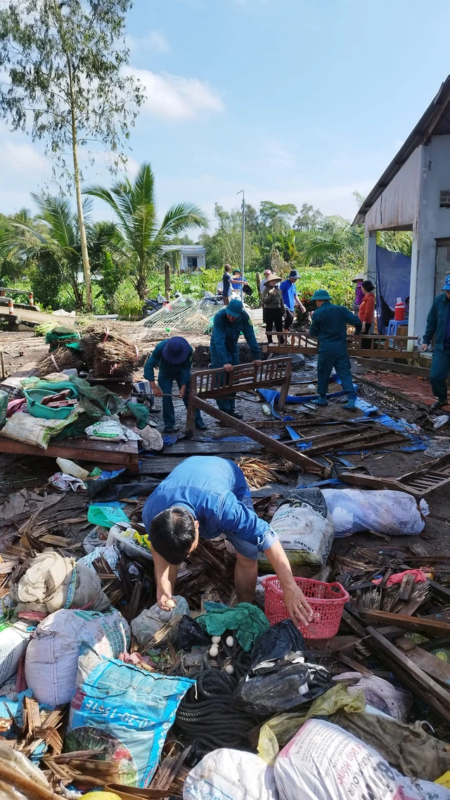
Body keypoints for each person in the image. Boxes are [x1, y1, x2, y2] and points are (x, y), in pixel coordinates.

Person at [142, 456, 313, 627]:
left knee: (248, 554)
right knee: (169, 559)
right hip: (189, 469)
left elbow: (268, 537)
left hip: (224, 473)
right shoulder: (153, 513)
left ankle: (244, 608)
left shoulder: (224, 508)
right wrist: (163, 587)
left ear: (196, 526)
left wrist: (289, 587)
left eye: (188, 552)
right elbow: (159, 550)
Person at [309, 289, 362, 410]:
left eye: (315, 301)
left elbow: (313, 333)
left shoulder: (317, 313)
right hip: (341, 348)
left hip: (326, 348)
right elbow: (357, 321)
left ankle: (322, 398)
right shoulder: (341, 309)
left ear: (319, 300)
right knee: (344, 372)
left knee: (323, 372)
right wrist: (357, 332)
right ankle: (351, 400)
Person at [210, 298, 261, 418]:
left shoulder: (244, 317)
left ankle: (231, 409)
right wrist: (224, 362)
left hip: (233, 347)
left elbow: (250, 336)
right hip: (218, 349)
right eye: (230, 315)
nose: (231, 318)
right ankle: (223, 411)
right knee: (221, 379)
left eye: (234, 316)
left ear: (240, 314)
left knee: (234, 378)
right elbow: (219, 340)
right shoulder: (219, 317)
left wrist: (257, 356)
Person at [144, 337, 207, 432]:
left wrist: (183, 386)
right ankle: (169, 423)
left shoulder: (188, 350)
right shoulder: (160, 347)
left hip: (181, 371)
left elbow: (186, 369)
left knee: (189, 394)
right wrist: (154, 387)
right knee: (166, 396)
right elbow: (149, 365)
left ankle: (197, 419)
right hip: (165, 372)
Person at [422, 275, 450, 410]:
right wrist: (426, 340)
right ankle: (442, 398)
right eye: (448, 291)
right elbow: (431, 322)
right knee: (435, 376)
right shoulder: (439, 301)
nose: (449, 294)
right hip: (442, 346)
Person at [261, 274, 285, 344]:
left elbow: (281, 301)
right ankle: (270, 341)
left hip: (278, 310)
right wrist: (271, 294)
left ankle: (281, 341)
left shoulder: (278, 289)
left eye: (275, 281)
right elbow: (264, 301)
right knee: (269, 327)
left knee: (279, 327)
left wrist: (284, 312)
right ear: (269, 282)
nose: (274, 282)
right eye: (272, 281)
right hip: (269, 310)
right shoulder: (266, 290)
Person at [358, 280, 376, 348]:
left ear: (364, 288)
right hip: (363, 321)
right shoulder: (367, 297)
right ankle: (364, 354)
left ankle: (365, 355)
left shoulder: (370, 298)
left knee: (364, 339)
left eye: (361, 288)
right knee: (363, 338)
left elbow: (367, 312)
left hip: (365, 322)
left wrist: (364, 323)